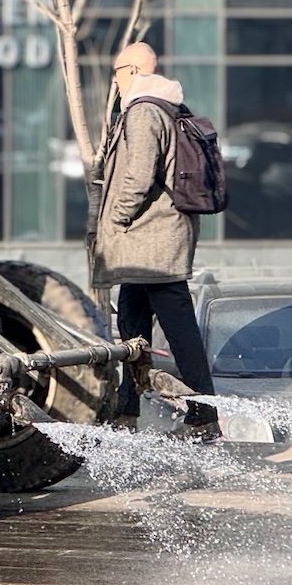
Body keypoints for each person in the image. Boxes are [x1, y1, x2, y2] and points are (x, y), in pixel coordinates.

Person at [92, 42, 221, 442]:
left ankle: (204, 414)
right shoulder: (167, 107)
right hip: (148, 242)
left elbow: (139, 175)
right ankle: (127, 407)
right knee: (131, 325)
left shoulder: (144, 110)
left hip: (151, 241)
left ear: (131, 70)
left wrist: (116, 217)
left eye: (116, 72)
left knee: (178, 325)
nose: (113, 81)